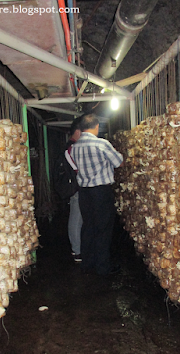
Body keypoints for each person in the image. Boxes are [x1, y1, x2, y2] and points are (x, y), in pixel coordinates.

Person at [70, 113, 123, 276]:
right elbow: (118, 161)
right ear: (96, 126)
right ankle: (103, 267)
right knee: (103, 229)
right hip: (100, 191)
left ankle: (87, 263)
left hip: (84, 192)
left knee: (88, 227)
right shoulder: (101, 144)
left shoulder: (76, 147)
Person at [65, 117, 83, 262]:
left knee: (78, 219)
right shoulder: (71, 148)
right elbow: (76, 169)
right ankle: (77, 250)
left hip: (75, 187)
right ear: (77, 131)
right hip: (76, 188)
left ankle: (78, 248)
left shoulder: (71, 147)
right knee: (76, 219)